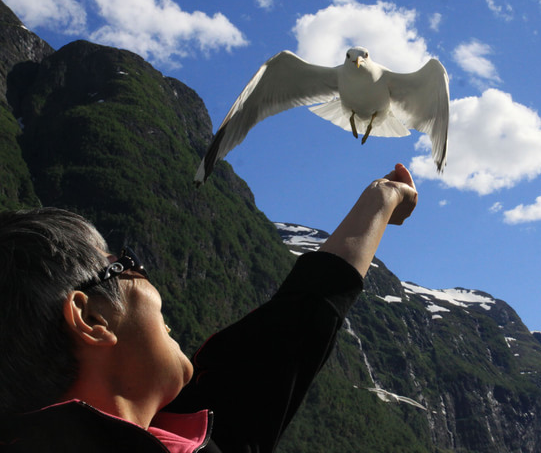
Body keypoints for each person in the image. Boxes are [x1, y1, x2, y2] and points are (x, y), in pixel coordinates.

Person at [0, 163, 418, 452]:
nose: (148, 279)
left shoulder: (195, 428)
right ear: (92, 318)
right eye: (126, 264)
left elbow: (299, 322)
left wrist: (381, 200)